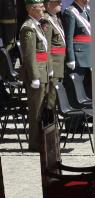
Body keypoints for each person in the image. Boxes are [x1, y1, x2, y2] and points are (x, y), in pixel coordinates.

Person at [19, 0, 49, 152]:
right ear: (31, 9)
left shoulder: (37, 25)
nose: (44, 8)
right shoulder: (28, 28)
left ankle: (41, 140)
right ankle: (35, 143)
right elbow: (30, 55)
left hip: (43, 70)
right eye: (40, 6)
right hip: (36, 73)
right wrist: (34, 76)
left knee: (42, 108)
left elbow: (43, 50)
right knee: (35, 110)